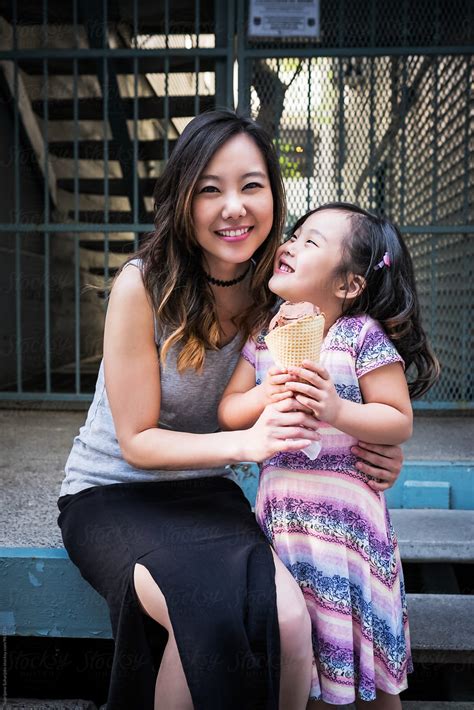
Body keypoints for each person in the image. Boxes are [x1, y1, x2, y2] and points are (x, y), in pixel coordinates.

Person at [57, 112, 405, 710]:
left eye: (251, 186)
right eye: (210, 189)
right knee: (211, 619)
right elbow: (138, 441)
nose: (233, 208)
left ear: (274, 193)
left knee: (290, 622)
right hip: (114, 492)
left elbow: (356, 386)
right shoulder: (142, 286)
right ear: (184, 200)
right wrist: (247, 444)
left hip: (207, 493)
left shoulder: (277, 290)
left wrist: (375, 447)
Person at [218, 202, 440, 709]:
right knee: (310, 658)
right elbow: (230, 410)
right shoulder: (265, 336)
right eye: (293, 236)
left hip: (350, 534)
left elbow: (397, 418)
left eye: (311, 241)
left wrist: (338, 410)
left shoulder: (359, 337)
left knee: (370, 665)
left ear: (348, 286)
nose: (290, 245)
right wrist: (265, 390)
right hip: (288, 530)